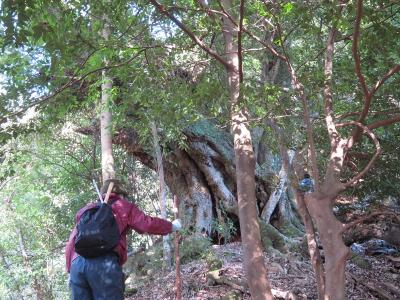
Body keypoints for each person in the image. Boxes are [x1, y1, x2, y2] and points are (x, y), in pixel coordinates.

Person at [65, 179, 182, 300]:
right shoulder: (122, 206)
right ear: (121, 194)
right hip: (104, 265)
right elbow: (146, 224)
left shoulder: (88, 210)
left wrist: (70, 270)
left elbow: (72, 241)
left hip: (77, 265)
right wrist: (171, 226)